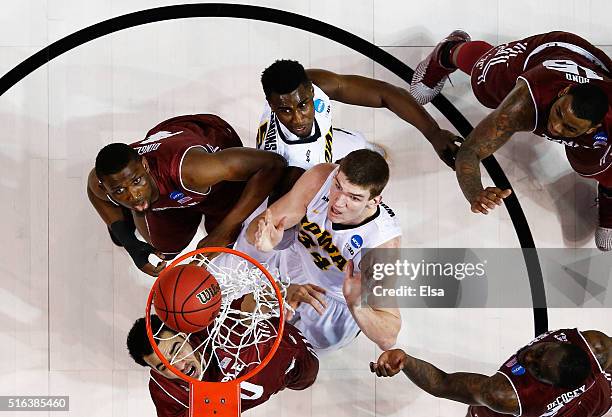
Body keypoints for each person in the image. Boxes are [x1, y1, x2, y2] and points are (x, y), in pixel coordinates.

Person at [410, 31, 611, 250]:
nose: (555, 127)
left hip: (596, 70)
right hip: (548, 55)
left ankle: (609, 192)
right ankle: (448, 52)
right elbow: (470, 151)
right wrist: (475, 192)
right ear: (564, 92)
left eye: (569, 128)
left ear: (594, 128)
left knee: (596, 165)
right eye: (559, 113)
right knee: (486, 83)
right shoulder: (522, 104)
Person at [228, 149, 402, 353]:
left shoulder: (381, 248)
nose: (337, 203)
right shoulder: (321, 178)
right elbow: (263, 227)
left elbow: (388, 338)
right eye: (338, 186)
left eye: (354, 198)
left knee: (295, 352)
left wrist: (356, 305)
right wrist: (266, 247)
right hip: (296, 262)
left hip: (335, 298)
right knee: (241, 320)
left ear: (374, 201)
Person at [87, 114, 287, 276]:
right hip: (172, 187)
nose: (133, 194)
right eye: (119, 191)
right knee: (165, 249)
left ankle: (215, 219)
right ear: (106, 188)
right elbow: (93, 192)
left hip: (215, 169)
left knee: (230, 245)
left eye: (137, 182)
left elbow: (272, 164)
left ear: (145, 166)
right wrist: (130, 243)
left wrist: (224, 229)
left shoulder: (193, 170)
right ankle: (130, 218)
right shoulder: (102, 182)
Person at [257, 59, 461, 188]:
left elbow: (386, 93)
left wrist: (434, 133)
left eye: (302, 105)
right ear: (272, 105)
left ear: (310, 90)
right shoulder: (288, 163)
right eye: (285, 110)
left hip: (324, 144)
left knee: (358, 143)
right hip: (306, 172)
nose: (298, 118)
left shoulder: (311, 84)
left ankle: (365, 150)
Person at [371, 328, 612, 417]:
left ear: (549, 383)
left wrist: (406, 362)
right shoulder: (596, 345)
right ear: (563, 344)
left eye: (536, 369)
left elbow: (442, 384)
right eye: (542, 350)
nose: (529, 356)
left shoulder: (503, 394)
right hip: (589, 398)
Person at [127, 314, 318, 417]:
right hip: (274, 378)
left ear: (184, 335)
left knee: (307, 379)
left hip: (292, 354)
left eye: (176, 349)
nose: (180, 365)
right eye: (163, 366)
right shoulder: (164, 391)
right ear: (155, 371)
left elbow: (246, 305)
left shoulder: (209, 322)